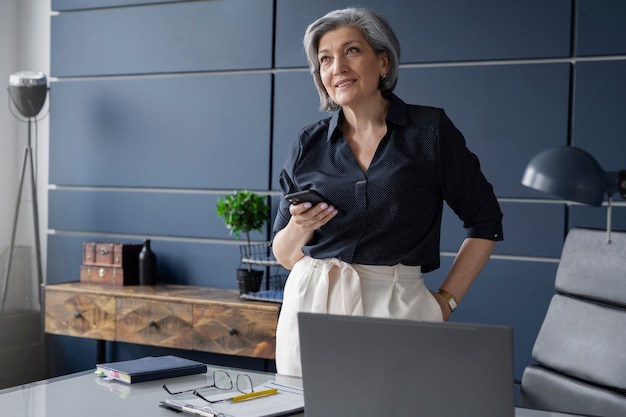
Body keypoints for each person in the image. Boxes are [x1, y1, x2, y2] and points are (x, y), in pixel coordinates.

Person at [271, 7, 503, 377]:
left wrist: (446, 301)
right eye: (325, 59)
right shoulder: (308, 143)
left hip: (397, 305)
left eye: (351, 51)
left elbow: (486, 221)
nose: (338, 67)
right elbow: (284, 255)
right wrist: (301, 226)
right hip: (311, 302)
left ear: (382, 62)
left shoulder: (430, 132)